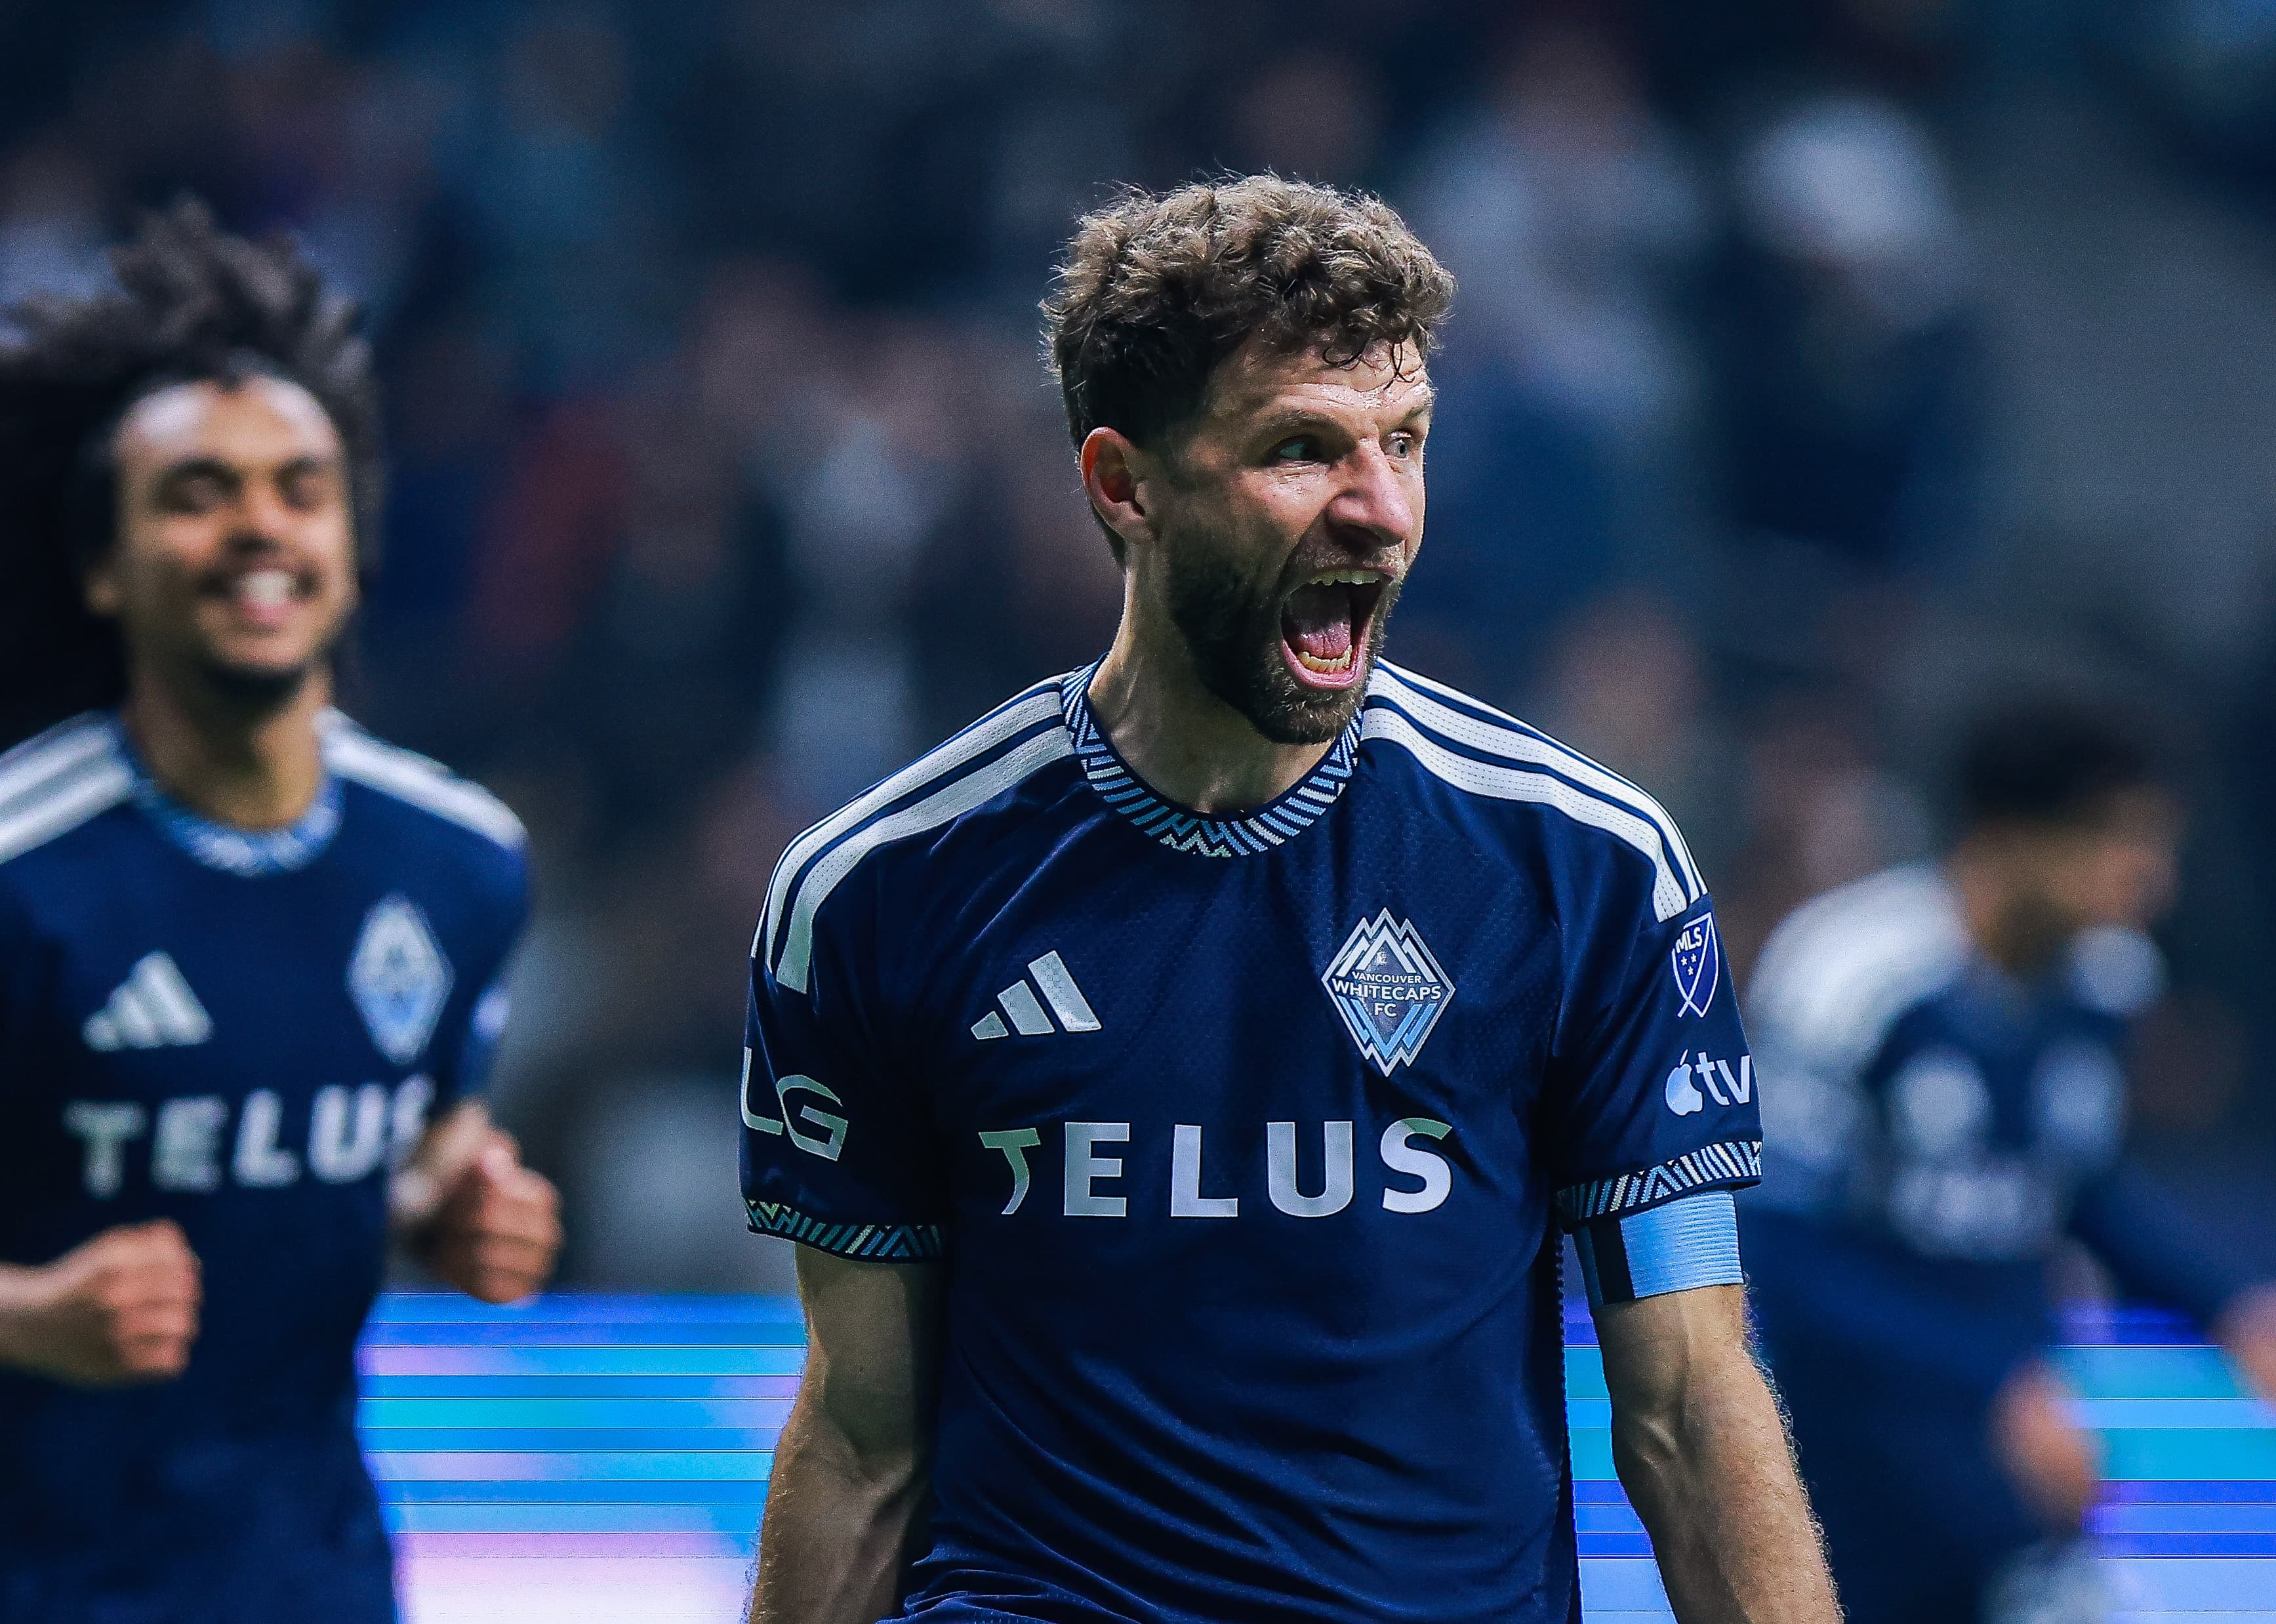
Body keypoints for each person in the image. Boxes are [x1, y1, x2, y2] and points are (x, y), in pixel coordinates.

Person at [739, 176, 1837, 1624]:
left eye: (1405, 442)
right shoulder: (878, 891)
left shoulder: (1587, 869)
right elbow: (861, 1437)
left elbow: (1690, 1405)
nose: (1380, 512)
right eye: (1301, 449)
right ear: (1123, 485)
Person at [0, 201, 562, 1623]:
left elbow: (423, 1137)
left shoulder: (460, 862)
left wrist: (452, 1208)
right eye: (197, 492)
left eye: (299, 488)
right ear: (102, 564)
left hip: (315, 1580)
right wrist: (31, 1317)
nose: (258, 523)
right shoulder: (20, 870)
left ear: (351, 546)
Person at [1739, 694, 2276, 1624]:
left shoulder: (2108, 978)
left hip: (2007, 1460)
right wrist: (1989, 1386)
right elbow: (1772, 1248)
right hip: (1848, 1449)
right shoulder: (1853, 977)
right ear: (2009, 836)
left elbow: (2080, 1184)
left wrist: (2228, 1306)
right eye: (2119, 839)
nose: (2152, 876)